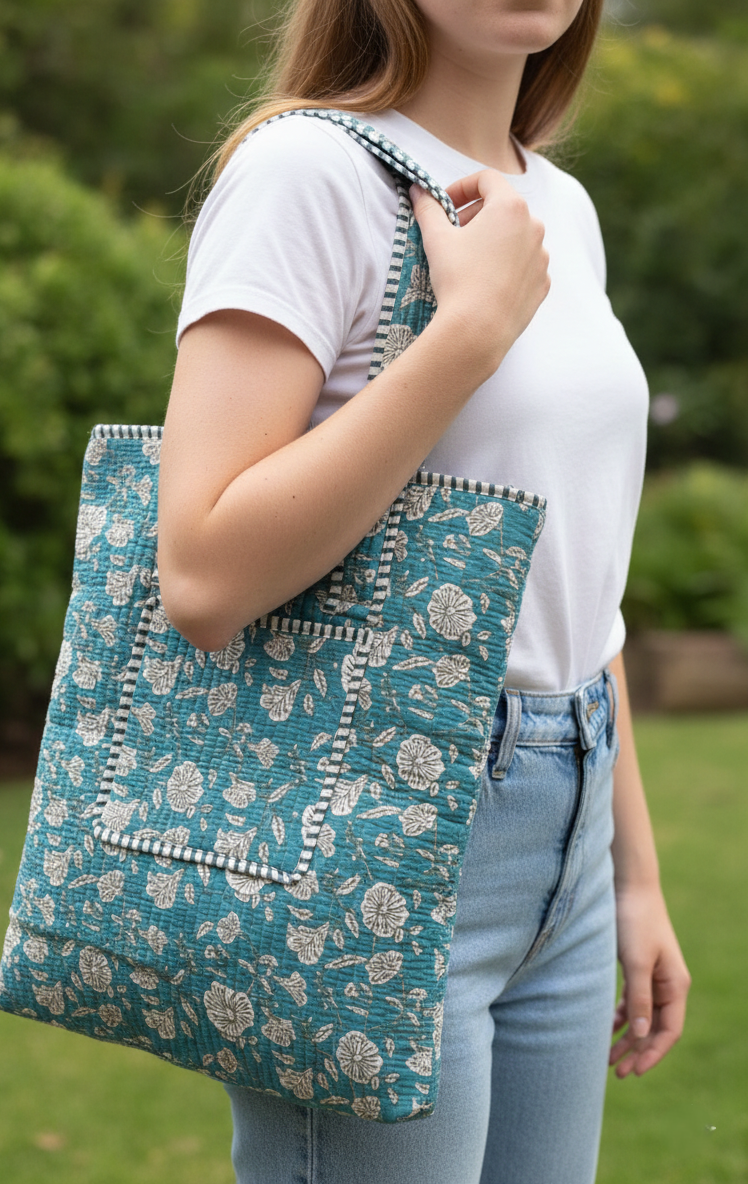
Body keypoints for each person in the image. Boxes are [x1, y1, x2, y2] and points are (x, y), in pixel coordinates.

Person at [156, 1, 691, 1180]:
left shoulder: (559, 207)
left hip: (568, 819)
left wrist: (631, 874)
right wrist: (468, 332)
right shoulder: (308, 172)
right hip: (367, 820)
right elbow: (199, 572)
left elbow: (576, 583)